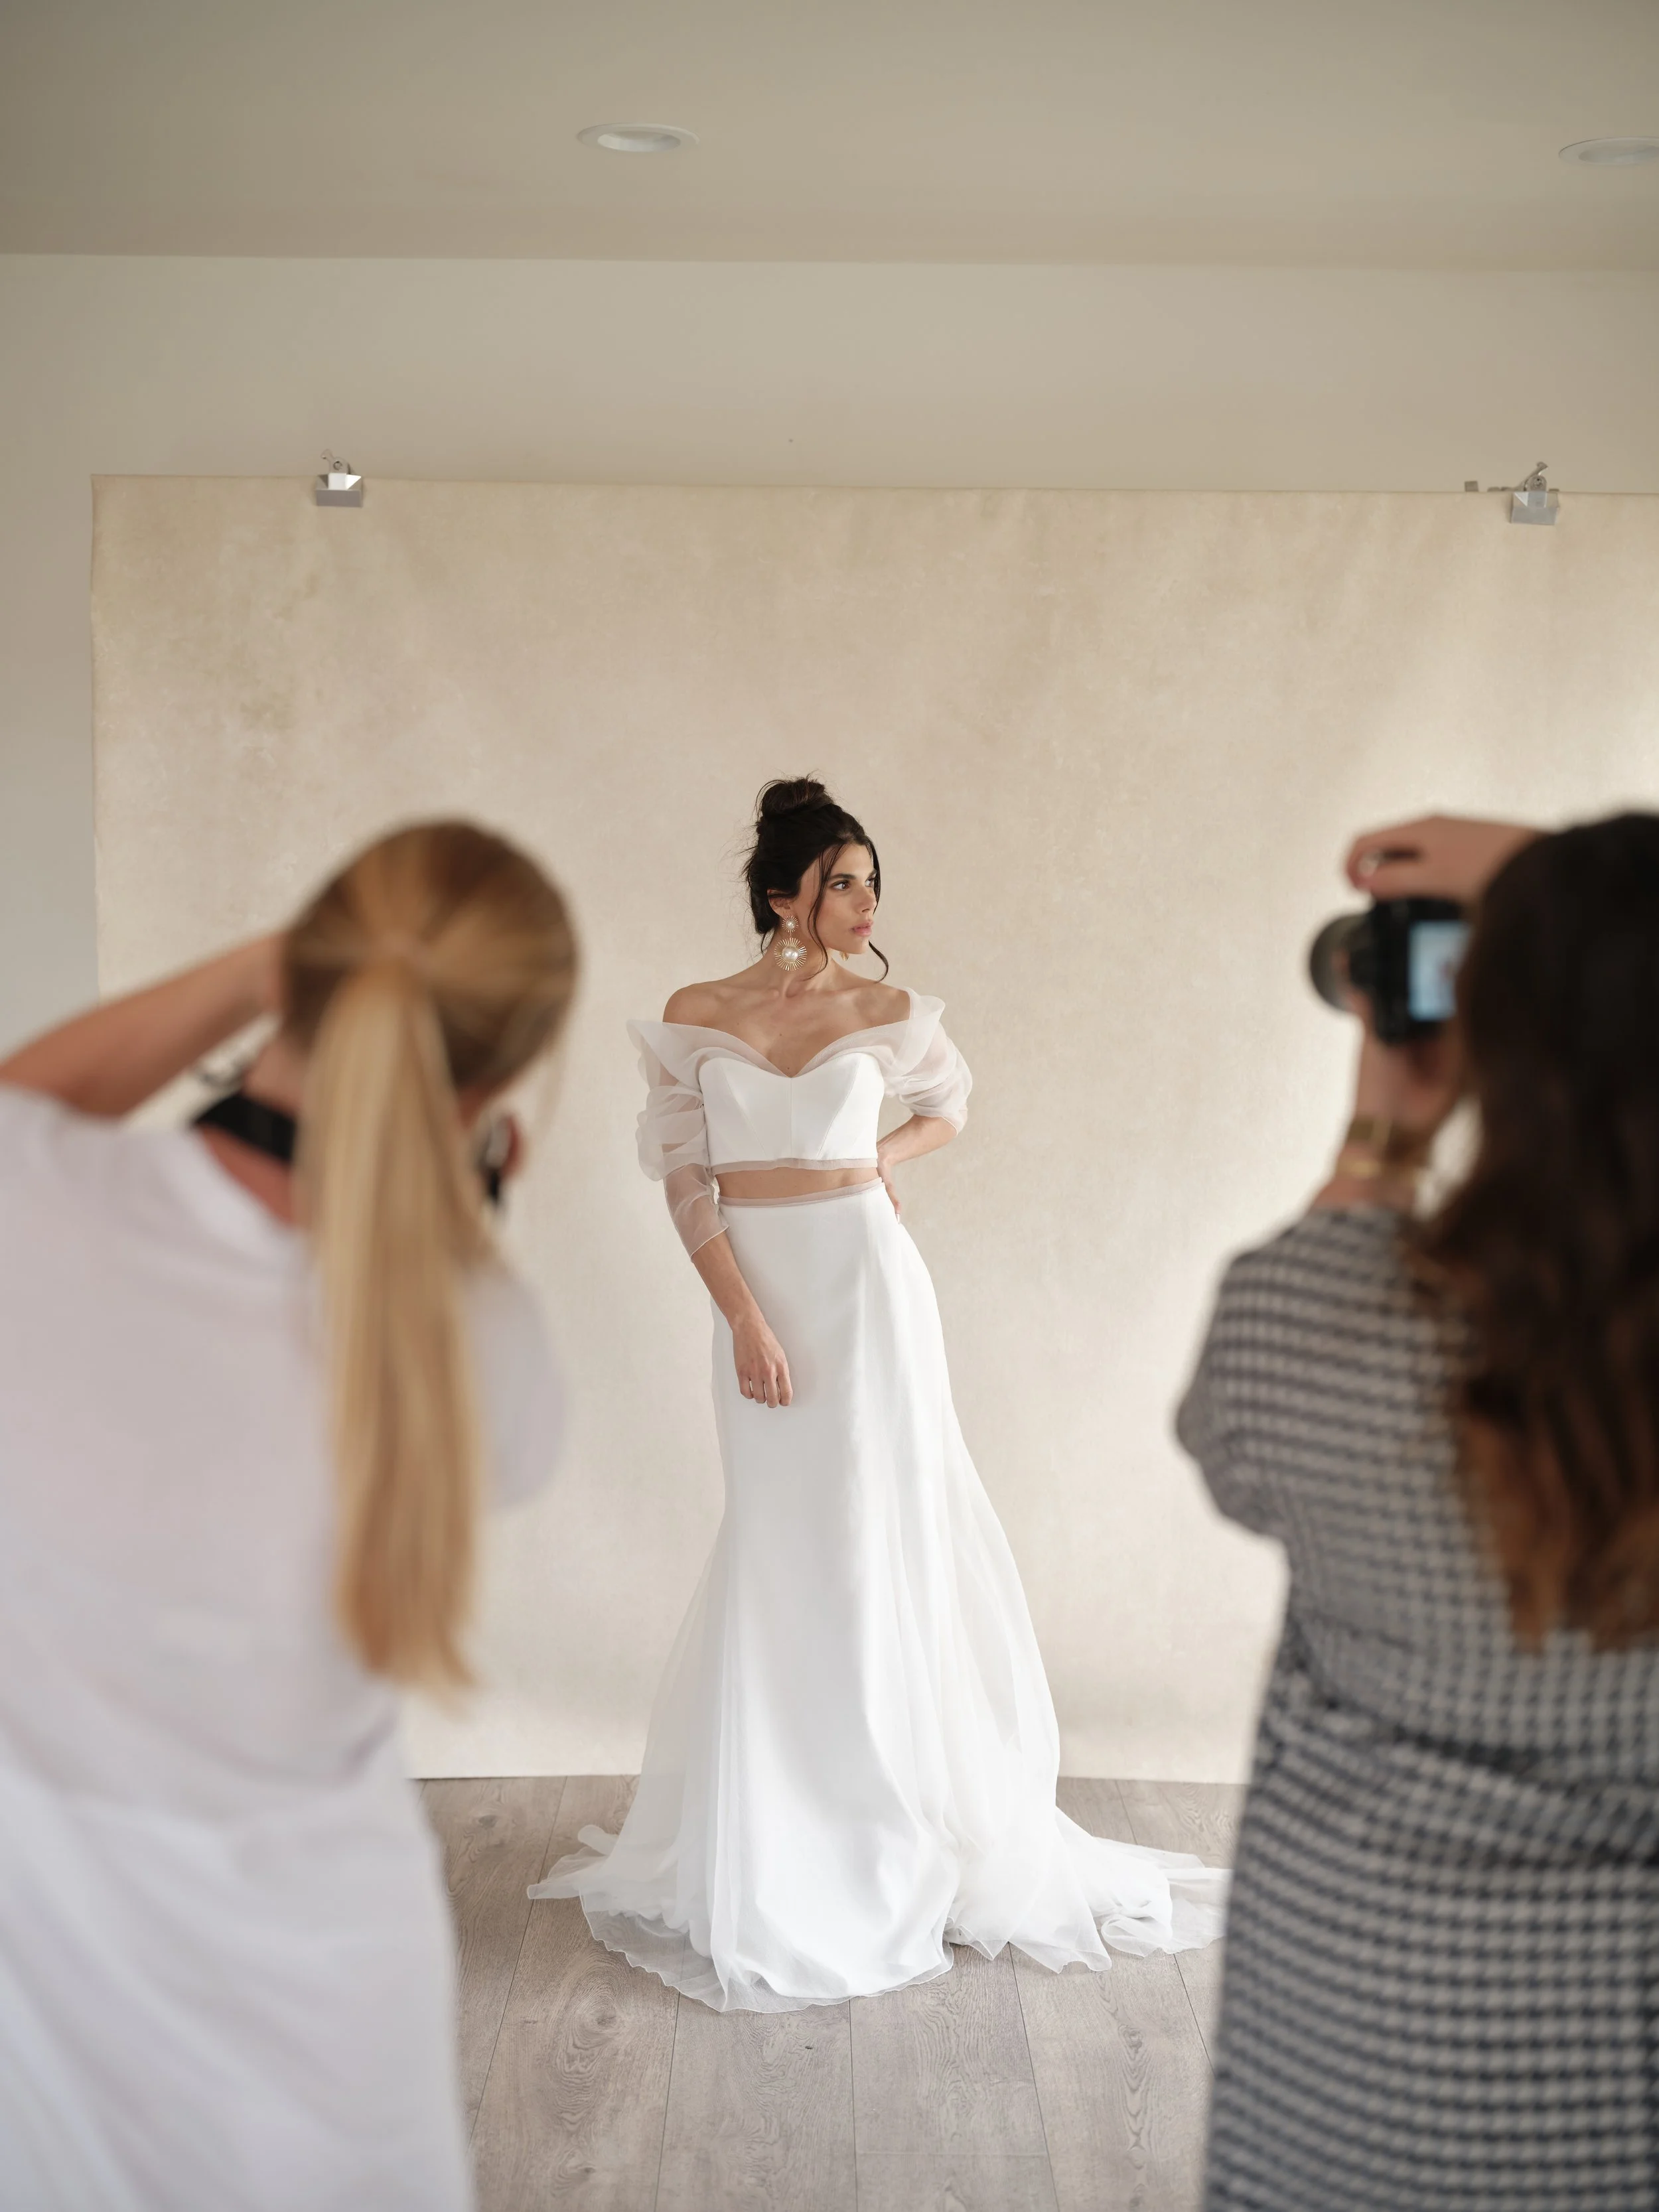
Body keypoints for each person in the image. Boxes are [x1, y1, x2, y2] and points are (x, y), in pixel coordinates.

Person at [532, 777, 1226, 2012]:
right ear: (780, 896)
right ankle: (780, 1822)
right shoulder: (697, 1016)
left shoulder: (894, 1010)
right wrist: (741, 1315)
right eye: (842, 880)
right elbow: (687, 1182)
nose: (864, 903)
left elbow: (949, 1107)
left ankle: (884, 1820)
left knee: (872, 1539)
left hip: (870, 1295)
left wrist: (876, 1165)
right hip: (762, 1300)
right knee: (781, 1539)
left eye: (870, 882)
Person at [0, 822, 575, 2212]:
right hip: (328, 2026)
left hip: (49, 1998)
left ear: (301, 981)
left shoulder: (35, 1206)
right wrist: (462, 1205)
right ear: (493, 1088)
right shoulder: (489, 1344)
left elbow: (29, 1093)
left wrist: (268, 967)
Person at [1178, 811, 1659, 2212]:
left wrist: (1382, 1130)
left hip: (1363, 2067)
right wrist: (1587, 903)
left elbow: (1226, 1444)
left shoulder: (1315, 1324)